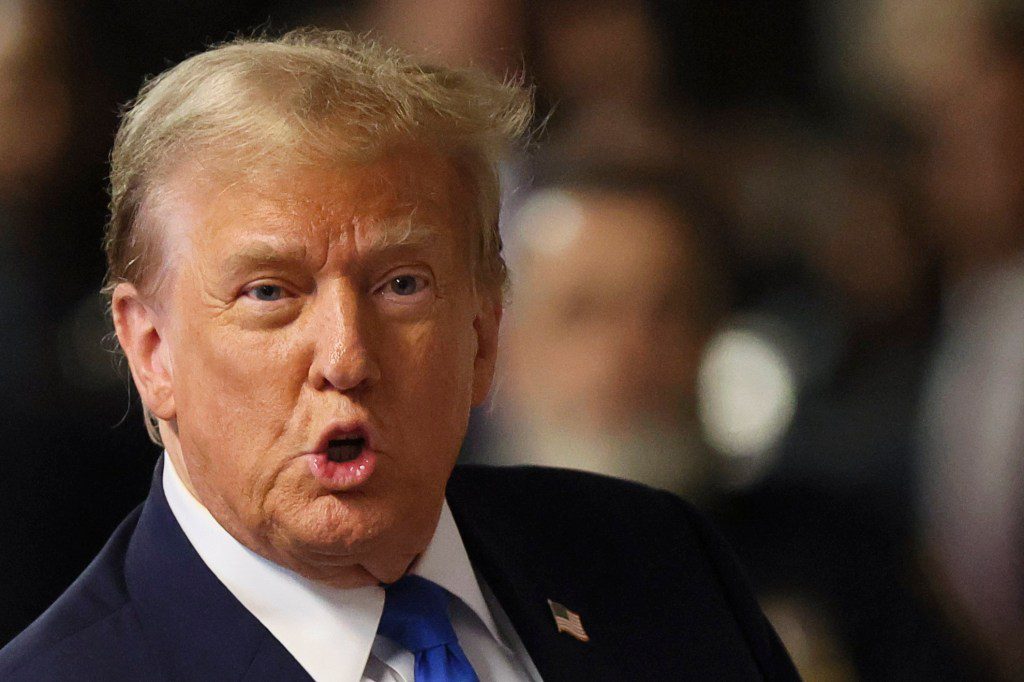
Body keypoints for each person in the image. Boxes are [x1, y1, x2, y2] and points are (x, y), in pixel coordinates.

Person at [0, 30, 797, 681]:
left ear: (484, 334)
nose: (346, 358)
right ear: (152, 351)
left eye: (403, 284)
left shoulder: (658, 562)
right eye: (271, 293)